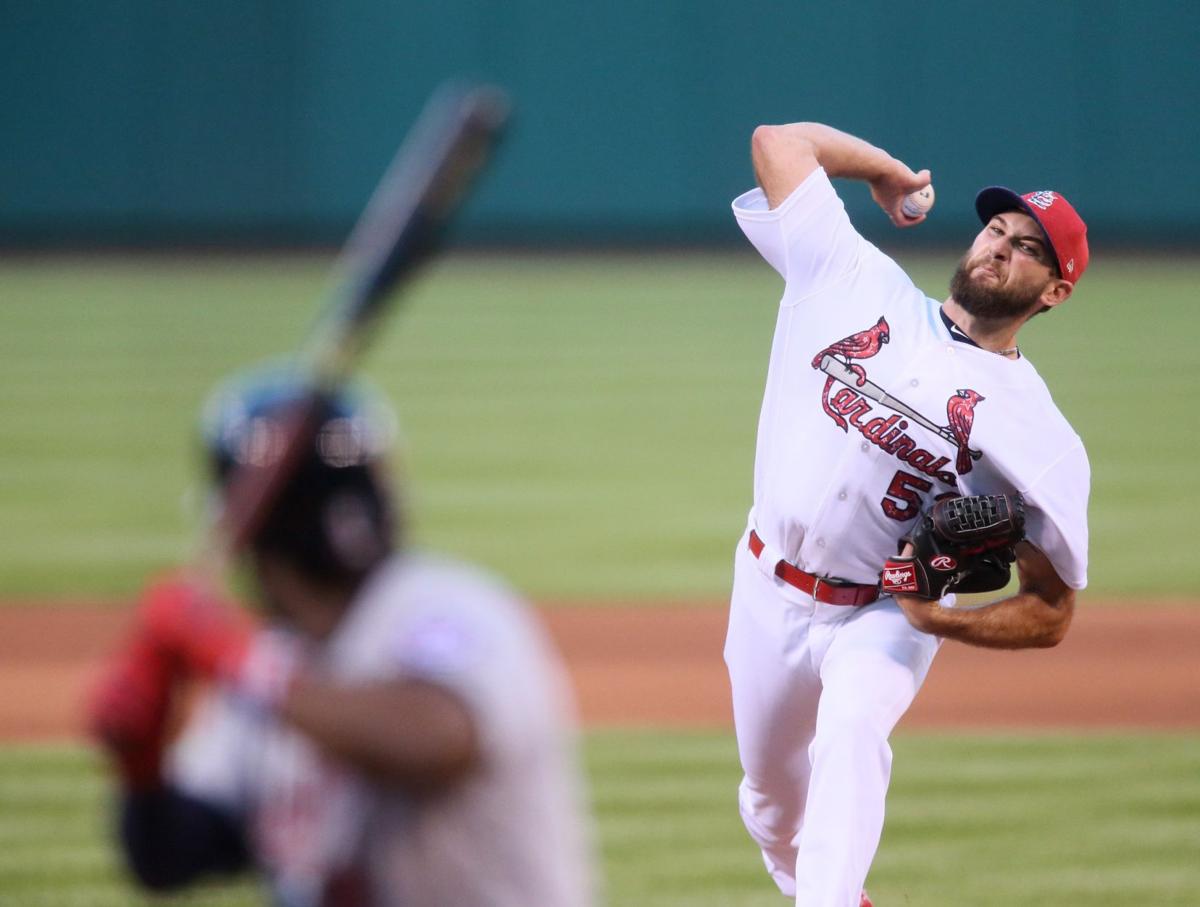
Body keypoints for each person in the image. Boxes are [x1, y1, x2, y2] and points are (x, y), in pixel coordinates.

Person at [722, 122, 1090, 906]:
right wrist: (886, 172)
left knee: (853, 726)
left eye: (1029, 248)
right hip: (765, 585)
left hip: (884, 610)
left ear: (1055, 291)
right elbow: (779, 142)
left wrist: (938, 620)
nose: (1000, 247)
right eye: (997, 228)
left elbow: (1052, 609)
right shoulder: (853, 277)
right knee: (771, 809)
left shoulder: (1041, 438)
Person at [87, 366, 596, 907]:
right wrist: (141, 768)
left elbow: (437, 736)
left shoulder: (446, 607)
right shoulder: (276, 661)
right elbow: (173, 860)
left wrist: (238, 660)